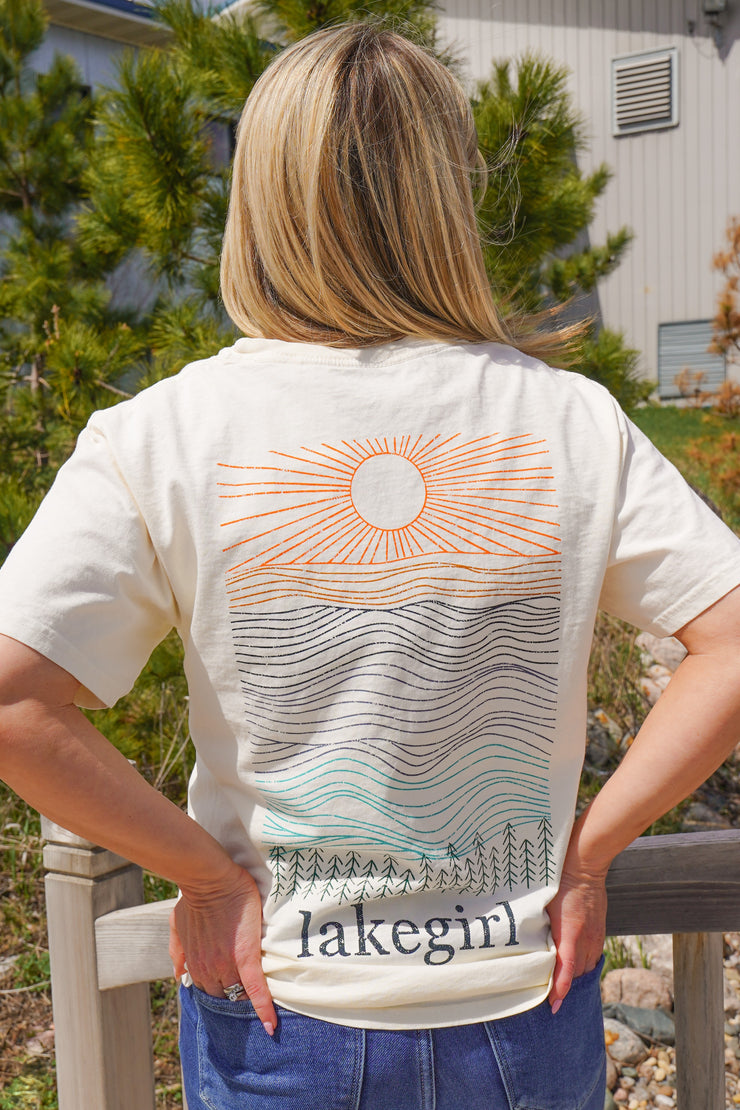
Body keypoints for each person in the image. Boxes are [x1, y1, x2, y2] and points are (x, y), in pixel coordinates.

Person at [1, 22, 740, 1110]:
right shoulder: (569, 421)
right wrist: (588, 856)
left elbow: (15, 700)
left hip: (282, 1014)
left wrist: (202, 876)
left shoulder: (163, 432)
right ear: (447, 193)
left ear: (258, 195)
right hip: (521, 1001)